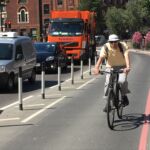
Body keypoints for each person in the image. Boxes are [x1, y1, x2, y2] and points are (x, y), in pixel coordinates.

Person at [93, 34, 131, 112]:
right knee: (107, 83)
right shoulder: (106, 47)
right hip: (110, 67)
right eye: (111, 42)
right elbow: (101, 58)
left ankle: (124, 96)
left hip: (122, 67)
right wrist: (96, 68)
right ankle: (108, 103)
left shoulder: (123, 46)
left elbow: (126, 56)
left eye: (115, 42)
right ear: (109, 42)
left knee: (122, 81)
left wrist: (127, 67)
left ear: (118, 41)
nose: (113, 44)